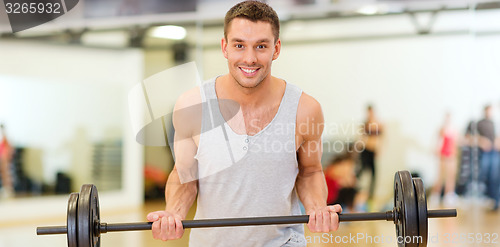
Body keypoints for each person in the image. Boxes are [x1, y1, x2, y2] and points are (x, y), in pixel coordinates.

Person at [146, 1, 342, 246]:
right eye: (239, 45)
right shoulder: (192, 105)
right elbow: (184, 174)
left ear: (276, 48)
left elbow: (310, 170)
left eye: (261, 46)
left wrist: (317, 209)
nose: (250, 58)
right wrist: (174, 212)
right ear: (225, 47)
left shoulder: (305, 109)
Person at [429, 112, 458, 207]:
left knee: (451, 176)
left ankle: (449, 195)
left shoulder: (454, 130)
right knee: (440, 176)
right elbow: (438, 142)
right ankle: (435, 195)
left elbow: (455, 143)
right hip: (443, 155)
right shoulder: (442, 129)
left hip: (451, 155)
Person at [357, 104, 383, 201]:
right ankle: (358, 189)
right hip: (365, 150)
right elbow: (362, 138)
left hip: (373, 151)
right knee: (362, 170)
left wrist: (379, 149)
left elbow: (381, 138)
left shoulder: (378, 124)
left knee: (373, 174)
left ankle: (370, 195)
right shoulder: (365, 124)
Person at [477, 104, 499, 210]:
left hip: (496, 151)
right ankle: (489, 198)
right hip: (486, 152)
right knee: (486, 174)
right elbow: (473, 136)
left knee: (495, 176)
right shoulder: (480, 123)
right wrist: (482, 141)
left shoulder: (495, 122)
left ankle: (495, 200)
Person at [0, 124, 14, 199]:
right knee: (3, 174)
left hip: (4, 157)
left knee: (6, 174)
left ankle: (8, 190)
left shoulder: (5, 137)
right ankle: (6, 189)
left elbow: (9, 148)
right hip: (2, 157)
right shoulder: (2, 138)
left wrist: (7, 157)